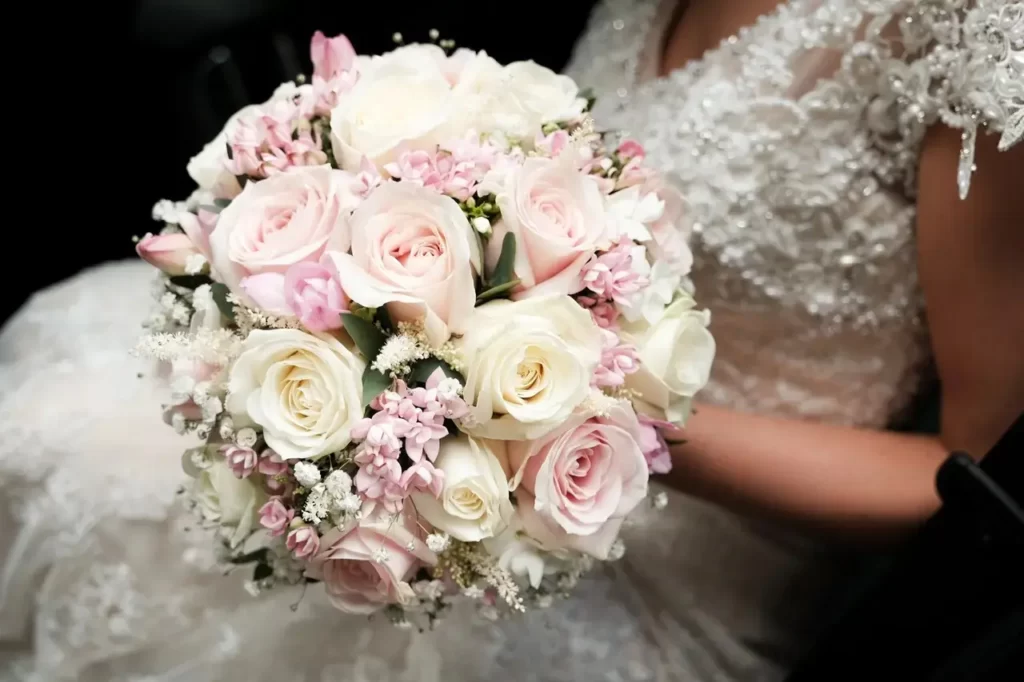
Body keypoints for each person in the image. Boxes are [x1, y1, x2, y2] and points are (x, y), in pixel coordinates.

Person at [1, 0, 1021, 680]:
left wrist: (601, 417)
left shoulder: (970, 39)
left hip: (672, 551)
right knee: (63, 405)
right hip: (452, 427)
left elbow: (969, 476)